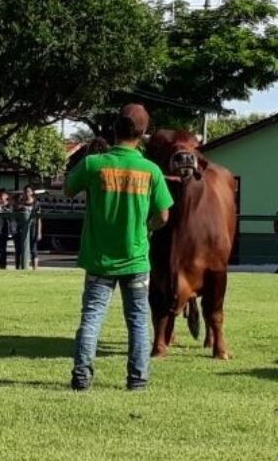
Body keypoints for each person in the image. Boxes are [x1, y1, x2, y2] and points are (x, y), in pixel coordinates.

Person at [64, 103, 173, 392]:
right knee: (137, 321)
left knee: (92, 318)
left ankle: (81, 377)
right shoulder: (151, 171)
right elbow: (164, 216)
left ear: (114, 128)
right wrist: (147, 228)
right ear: (143, 133)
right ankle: (137, 380)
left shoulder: (93, 164)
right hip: (136, 259)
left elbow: (68, 188)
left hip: (98, 259)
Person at [15, 186, 43, 269]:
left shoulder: (36, 203)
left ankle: (35, 269)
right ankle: (20, 267)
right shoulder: (20, 202)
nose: (26, 193)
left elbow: (38, 218)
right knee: (20, 248)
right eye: (25, 191)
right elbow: (15, 212)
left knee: (33, 248)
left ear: (32, 192)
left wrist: (39, 231)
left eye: (28, 191)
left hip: (33, 226)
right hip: (21, 227)